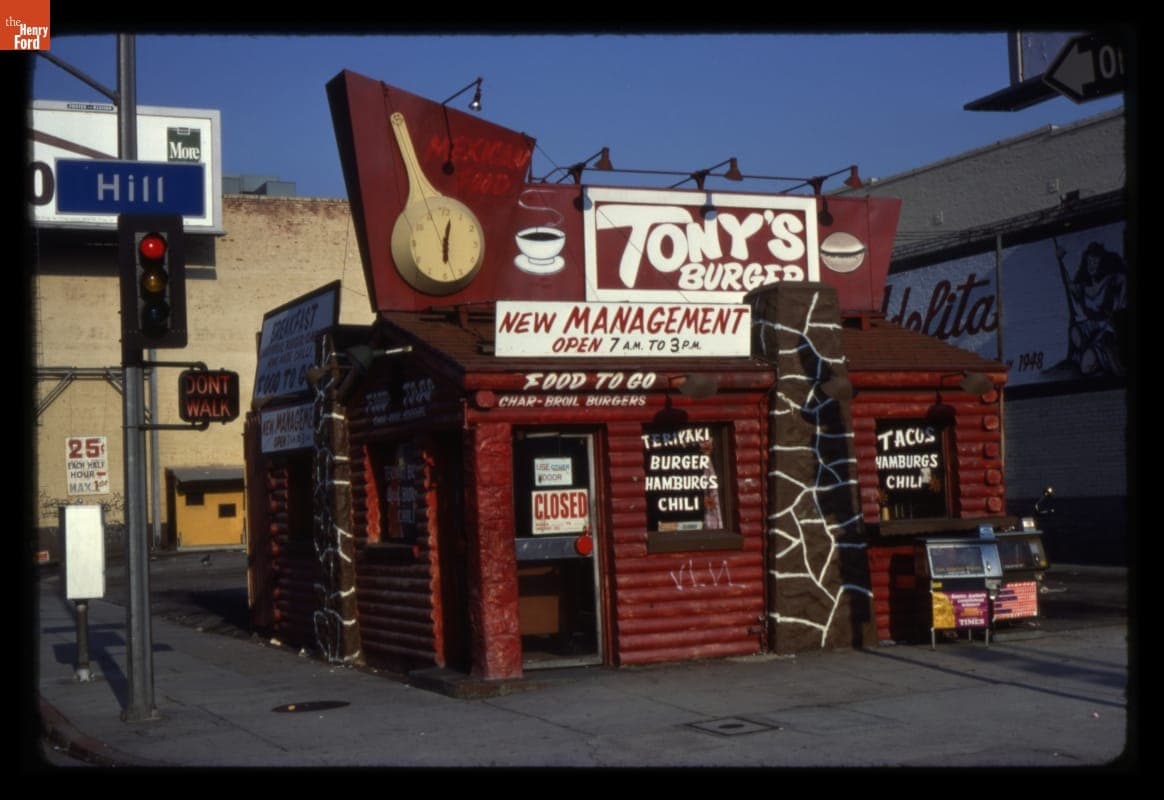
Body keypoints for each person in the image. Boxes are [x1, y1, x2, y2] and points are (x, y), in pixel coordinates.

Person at [1059, 241, 1127, 377]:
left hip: (1106, 328)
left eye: (1095, 262)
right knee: (1075, 332)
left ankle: (1101, 358)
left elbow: (1125, 279)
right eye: (1089, 261)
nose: (1091, 265)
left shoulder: (1109, 280)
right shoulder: (1084, 286)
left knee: (1085, 367)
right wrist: (1060, 260)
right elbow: (1070, 285)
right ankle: (1088, 352)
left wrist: (1120, 302)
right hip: (1092, 326)